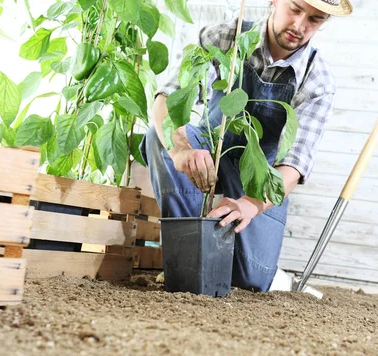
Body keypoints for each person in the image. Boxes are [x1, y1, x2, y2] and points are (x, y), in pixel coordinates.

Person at [141, 0, 352, 292]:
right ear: (274, 1)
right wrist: (180, 149)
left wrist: (250, 205)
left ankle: (256, 268)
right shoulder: (225, 38)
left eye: (315, 19)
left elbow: (294, 164)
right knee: (159, 137)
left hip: (260, 177)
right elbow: (168, 97)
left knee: (251, 278)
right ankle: (185, 255)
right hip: (211, 148)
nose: (299, 26)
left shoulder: (317, 81)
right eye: (295, 9)